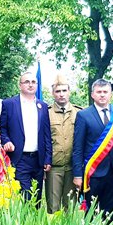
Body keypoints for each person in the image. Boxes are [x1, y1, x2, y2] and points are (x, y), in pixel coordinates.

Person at [72, 79, 113, 222]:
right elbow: (78, 147)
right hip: (93, 173)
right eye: (99, 92)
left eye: (105, 92)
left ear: (110, 94)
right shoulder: (83, 115)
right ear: (92, 95)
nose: (102, 95)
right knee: (92, 212)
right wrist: (77, 174)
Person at [0, 72, 52, 198]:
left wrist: (48, 158)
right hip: (20, 158)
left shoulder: (43, 106)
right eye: (27, 82)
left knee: (37, 198)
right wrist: (6, 141)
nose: (30, 85)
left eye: (33, 82)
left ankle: (35, 218)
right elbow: (2, 128)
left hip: (38, 160)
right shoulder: (9, 104)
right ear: (20, 85)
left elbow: (46, 134)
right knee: (26, 196)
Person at [46, 75, 82, 213]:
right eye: (58, 91)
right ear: (53, 93)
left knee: (71, 207)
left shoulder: (79, 112)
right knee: (53, 208)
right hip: (54, 167)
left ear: (69, 91)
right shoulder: (46, 113)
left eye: (64, 90)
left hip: (73, 167)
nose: (61, 94)